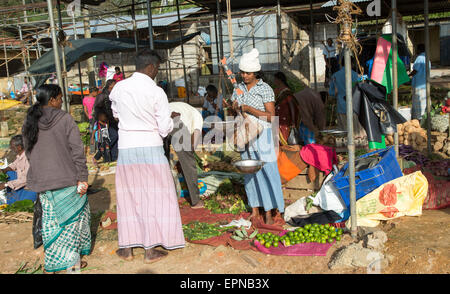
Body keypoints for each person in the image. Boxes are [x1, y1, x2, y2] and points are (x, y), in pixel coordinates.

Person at [109, 48, 185, 263]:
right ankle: (150, 249)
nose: (157, 73)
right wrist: (170, 119)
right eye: (158, 69)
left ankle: (127, 248)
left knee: (129, 197)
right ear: (151, 67)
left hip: (126, 148)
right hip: (150, 147)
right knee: (154, 196)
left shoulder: (119, 88)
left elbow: (116, 115)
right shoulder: (156, 91)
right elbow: (164, 128)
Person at [22, 84, 90, 273]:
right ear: (52, 100)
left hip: (42, 182)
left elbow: (28, 153)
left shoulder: (29, 120)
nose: (62, 101)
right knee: (72, 223)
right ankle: (71, 265)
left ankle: (52, 264)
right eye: (60, 98)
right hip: (67, 180)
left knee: (51, 224)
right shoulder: (65, 119)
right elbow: (77, 151)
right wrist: (82, 177)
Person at [227, 48, 284, 225]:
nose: (244, 75)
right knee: (249, 172)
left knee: (268, 172)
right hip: (246, 135)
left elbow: (271, 116)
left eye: (248, 73)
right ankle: (255, 208)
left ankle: (272, 209)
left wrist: (250, 109)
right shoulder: (238, 88)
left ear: (256, 72)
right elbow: (232, 111)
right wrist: (232, 107)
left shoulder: (265, 89)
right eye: (242, 72)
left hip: (263, 135)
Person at [164, 102, 204, 209]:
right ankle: (195, 201)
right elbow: (194, 141)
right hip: (176, 119)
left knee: (163, 161)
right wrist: (186, 158)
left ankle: (165, 197)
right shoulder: (198, 116)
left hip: (161, 119)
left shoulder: (183, 107)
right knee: (188, 162)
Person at [329, 58, 366, 139]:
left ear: (341, 64)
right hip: (355, 107)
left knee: (344, 134)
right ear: (352, 64)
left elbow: (331, 93)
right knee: (357, 133)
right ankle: (359, 149)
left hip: (341, 107)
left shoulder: (335, 76)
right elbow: (363, 88)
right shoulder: (356, 75)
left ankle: (346, 149)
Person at [0, 135, 37, 205]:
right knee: (9, 173)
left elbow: (26, 179)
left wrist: (5, 185)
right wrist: (4, 170)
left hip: (30, 189)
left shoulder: (29, 158)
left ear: (19, 147)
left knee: (21, 206)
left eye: (12, 146)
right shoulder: (20, 155)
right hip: (22, 184)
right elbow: (14, 165)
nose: (10, 148)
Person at [273, 72, 300, 145]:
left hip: (285, 120)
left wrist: (293, 122)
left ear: (279, 80)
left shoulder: (286, 92)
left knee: (285, 140)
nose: (274, 81)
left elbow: (292, 106)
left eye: (275, 79)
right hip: (277, 119)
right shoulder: (276, 90)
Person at [409, 44, 430, 121]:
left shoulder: (419, 58)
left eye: (417, 49)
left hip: (418, 85)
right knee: (424, 102)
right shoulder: (427, 58)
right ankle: (424, 117)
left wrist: (408, 75)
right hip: (425, 84)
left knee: (418, 103)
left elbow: (415, 70)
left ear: (419, 50)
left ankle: (418, 119)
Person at [83, 87, 99, 153]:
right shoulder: (95, 99)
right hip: (96, 117)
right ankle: (98, 148)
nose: (97, 94)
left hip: (90, 118)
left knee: (92, 132)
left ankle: (92, 150)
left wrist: (89, 117)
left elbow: (85, 110)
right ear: (93, 92)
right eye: (96, 92)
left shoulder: (85, 99)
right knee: (96, 133)